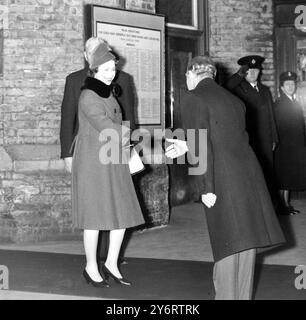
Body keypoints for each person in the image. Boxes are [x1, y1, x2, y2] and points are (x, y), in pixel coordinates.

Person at [166, 56, 285, 300]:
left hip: (221, 181)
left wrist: (204, 188)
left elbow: (203, 145)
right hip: (249, 179)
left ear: (191, 74)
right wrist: (187, 146)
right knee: (245, 246)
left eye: (186, 77)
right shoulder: (233, 99)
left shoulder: (193, 97)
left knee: (226, 248)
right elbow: (219, 138)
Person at [71, 41, 145, 287]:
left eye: (112, 68)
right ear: (93, 69)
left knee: (121, 212)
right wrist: (140, 137)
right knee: (94, 218)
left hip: (113, 158)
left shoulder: (107, 91)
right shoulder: (89, 95)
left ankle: (112, 263)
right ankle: (90, 266)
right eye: (105, 69)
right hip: (94, 163)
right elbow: (106, 127)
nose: (111, 73)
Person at [60, 37, 136, 265]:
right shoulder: (75, 81)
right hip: (91, 151)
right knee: (96, 206)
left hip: (115, 149)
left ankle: (112, 260)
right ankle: (96, 262)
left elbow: (128, 118)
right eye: (92, 52)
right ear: (86, 56)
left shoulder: (123, 79)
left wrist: (131, 149)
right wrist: (67, 153)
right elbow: (67, 119)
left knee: (115, 205)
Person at [225, 55, 278, 196]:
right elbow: (226, 87)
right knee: (252, 173)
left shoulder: (265, 90)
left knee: (267, 172)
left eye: (256, 70)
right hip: (249, 139)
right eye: (249, 70)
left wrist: (274, 137)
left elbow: (271, 115)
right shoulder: (237, 89)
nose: (253, 73)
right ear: (244, 72)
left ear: (260, 72)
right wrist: (239, 74)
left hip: (266, 139)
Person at [274, 71, 306, 215]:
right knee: (283, 177)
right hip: (285, 146)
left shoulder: (294, 103)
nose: (290, 86)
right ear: (281, 87)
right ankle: (282, 206)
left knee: (287, 177)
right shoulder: (280, 104)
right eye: (287, 84)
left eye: (292, 84)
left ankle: (285, 204)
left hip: (294, 146)